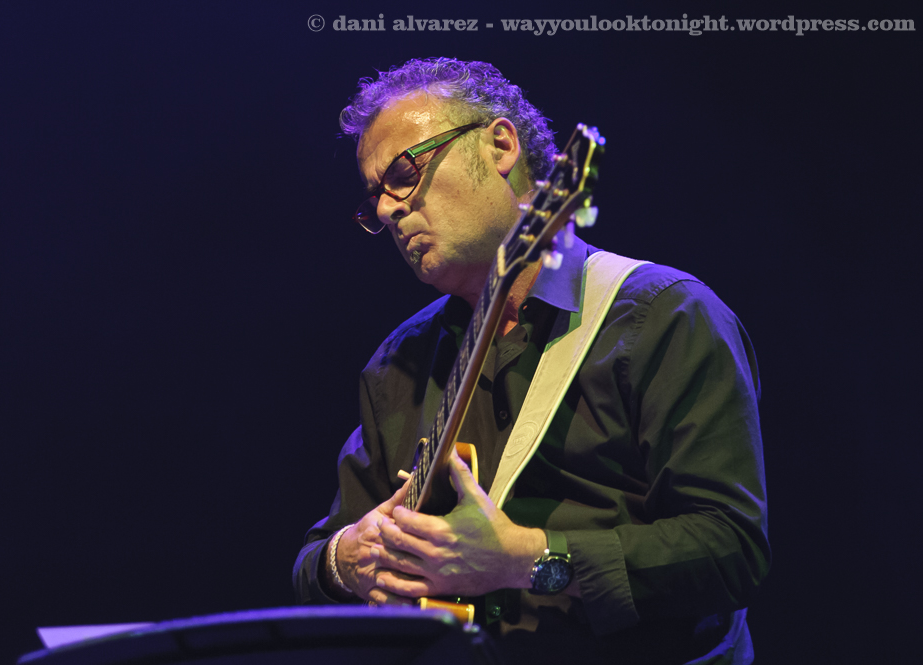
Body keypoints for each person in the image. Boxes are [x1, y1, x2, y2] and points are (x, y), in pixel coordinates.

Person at [293, 57, 770, 665]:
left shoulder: (665, 315)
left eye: (404, 174)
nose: (387, 210)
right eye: (375, 198)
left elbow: (732, 550)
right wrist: (346, 560)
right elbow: (315, 560)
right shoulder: (399, 364)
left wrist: (527, 560)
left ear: (500, 146)